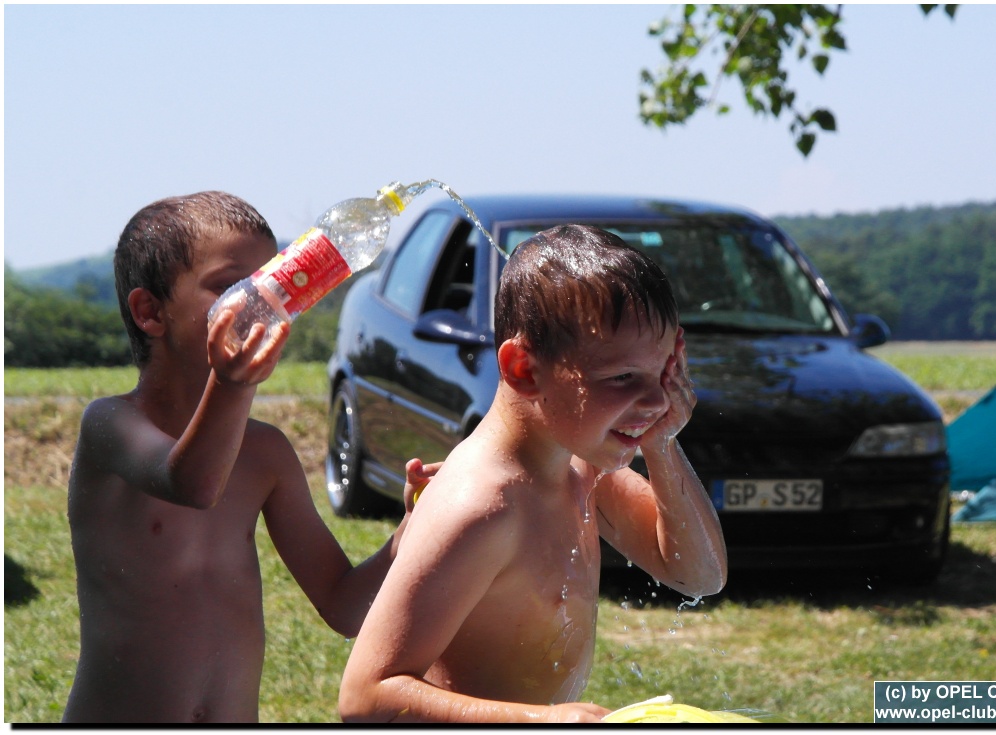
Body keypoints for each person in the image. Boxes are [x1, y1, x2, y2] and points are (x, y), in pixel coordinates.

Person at [339, 224, 728, 724]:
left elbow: (700, 575)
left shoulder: (580, 466)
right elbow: (366, 697)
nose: (656, 400)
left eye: (664, 375)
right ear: (523, 369)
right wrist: (542, 720)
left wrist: (661, 442)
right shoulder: (482, 504)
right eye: (623, 377)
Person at [63, 191, 426, 723]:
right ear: (150, 312)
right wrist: (231, 385)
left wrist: (415, 524)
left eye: (275, 284)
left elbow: (345, 605)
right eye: (234, 287)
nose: (265, 304)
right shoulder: (111, 426)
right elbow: (191, 484)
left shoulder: (265, 453)